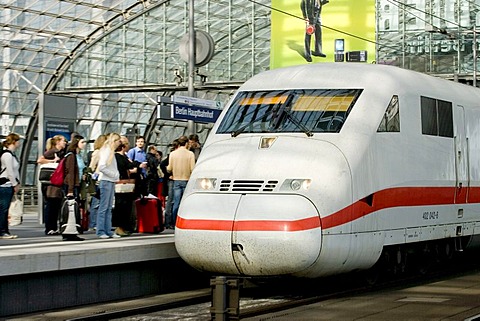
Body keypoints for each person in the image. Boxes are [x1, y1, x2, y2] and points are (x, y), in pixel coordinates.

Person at [38, 135, 67, 235]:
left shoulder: (60, 152)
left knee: (55, 206)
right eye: (63, 141)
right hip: (50, 184)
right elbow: (40, 160)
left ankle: (53, 227)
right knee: (51, 205)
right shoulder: (52, 151)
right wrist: (53, 161)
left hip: (55, 183)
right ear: (58, 142)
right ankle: (50, 228)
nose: (65, 142)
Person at [61, 135, 87, 241]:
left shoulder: (78, 155)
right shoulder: (71, 156)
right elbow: (71, 174)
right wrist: (70, 190)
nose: (84, 144)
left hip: (76, 185)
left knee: (73, 209)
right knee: (71, 209)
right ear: (76, 143)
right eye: (82, 142)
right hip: (71, 186)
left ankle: (71, 230)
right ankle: (69, 232)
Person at [96, 133, 122, 239]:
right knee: (104, 207)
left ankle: (107, 230)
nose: (119, 143)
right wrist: (114, 175)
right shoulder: (106, 151)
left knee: (108, 207)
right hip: (106, 181)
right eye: (118, 141)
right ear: (114, 141)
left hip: (110, 181)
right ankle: (101, 230)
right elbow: (101, 167)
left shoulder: (110, 151)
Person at [167, 136, 195, 229]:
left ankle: (175, 222)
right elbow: (192, 168)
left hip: (176, 180)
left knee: (176, 202)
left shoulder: (173, 154)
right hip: (187, 180)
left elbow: (169, 168)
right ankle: (186, 222)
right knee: (186, 203)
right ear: (186, 143)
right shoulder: (190, 154)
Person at [113, 136, 138, 236]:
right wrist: (137, 165)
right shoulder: (118, 157)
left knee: (126, 206)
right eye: (127, 144)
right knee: (121, 206)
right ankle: (120, 227)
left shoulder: (123, 156)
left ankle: (125, 226)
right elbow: (127, 166)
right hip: (121, 184)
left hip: (125, 184)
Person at [0, 133, 21, 239]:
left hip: (8, 184)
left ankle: (4, 230)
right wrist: (15, 184)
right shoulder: (7, 155)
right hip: (5, 185)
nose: (20, 143)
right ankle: (2, 231)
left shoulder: (11, 155)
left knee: (5, 208)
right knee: (4, 208)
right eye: (18, 141)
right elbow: (10, 172)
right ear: (14, 142)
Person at [87, 134, 107, 230]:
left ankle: (97, 222)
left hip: (102, 178)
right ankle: (93, 223)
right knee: (96, 202)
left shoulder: (104, 153)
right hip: (97, 179)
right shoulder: (97, 152)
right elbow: (92, 165)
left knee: (99, 202)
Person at [162, 139, 178, 229]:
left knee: (171, 200)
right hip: (172, 180)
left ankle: (169, 221)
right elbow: (163, 165)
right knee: (171, 200)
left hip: (172, 179)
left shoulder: (172, 155)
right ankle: (169, 222)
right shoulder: (172, 155)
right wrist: (169, 174)